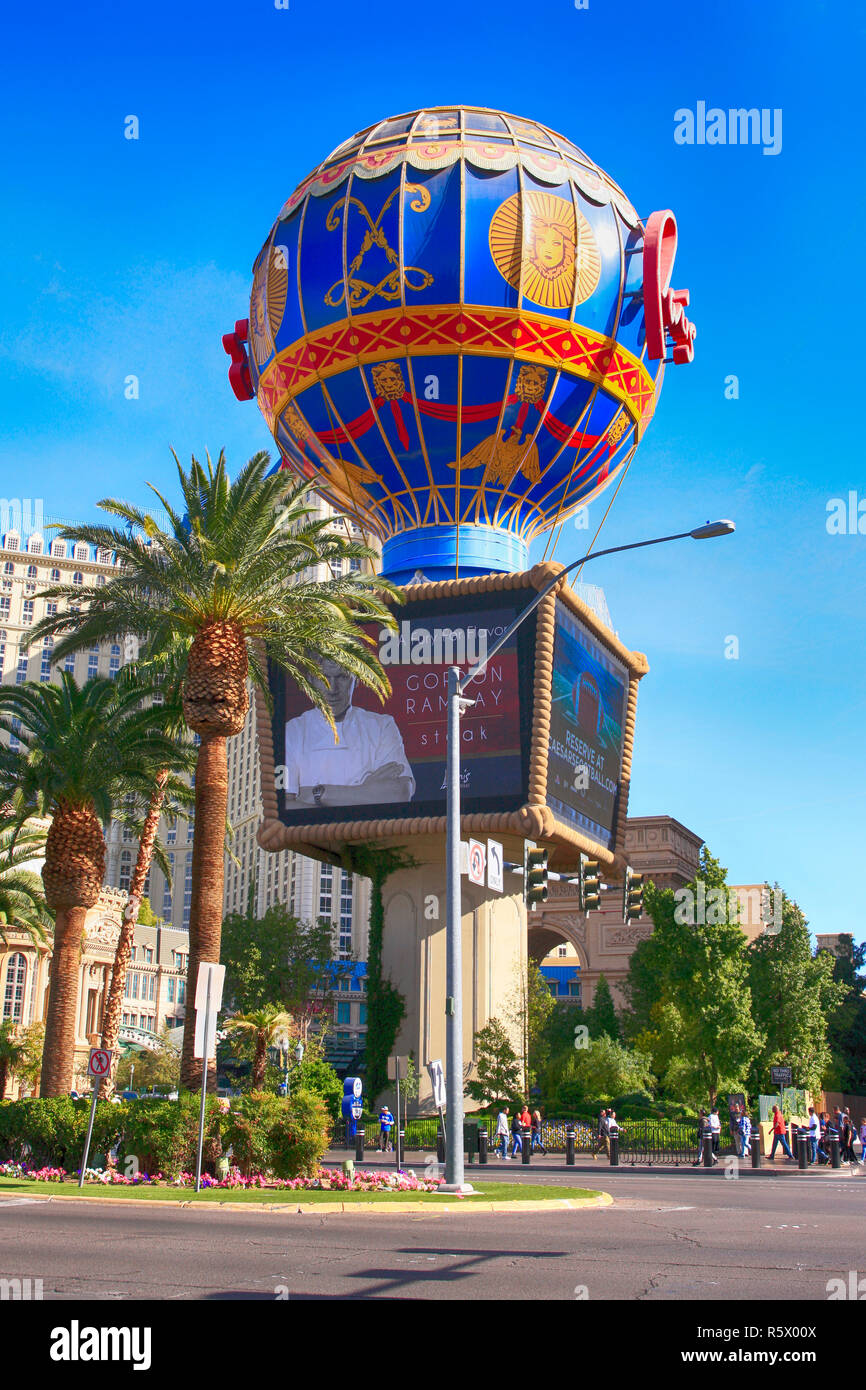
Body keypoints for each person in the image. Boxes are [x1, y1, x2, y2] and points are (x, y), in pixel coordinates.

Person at [282, 657, 415, 808]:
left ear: (357, 679)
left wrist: (319, 794)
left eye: (342, 677)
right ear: (310, 680)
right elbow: (285, 805)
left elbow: (400, 793)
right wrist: (366, 792)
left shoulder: (382, 726)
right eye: (323, 678)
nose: (332, 689)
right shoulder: (291, 732)